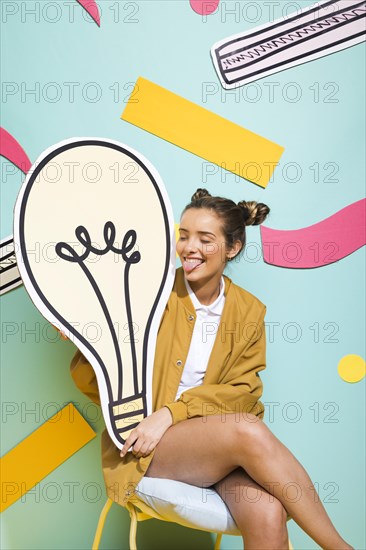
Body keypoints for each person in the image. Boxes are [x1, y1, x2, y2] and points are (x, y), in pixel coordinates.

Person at [61, 189, 353, 549]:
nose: (189, 247)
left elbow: (242, 395)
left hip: (214, 454)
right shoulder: (145, 293)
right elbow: (99, 380)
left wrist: (172, 413)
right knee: (246, 430)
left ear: (232, 247)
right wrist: (87, 341)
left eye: (205, 239)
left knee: (267, 511)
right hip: (145, 448)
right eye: (183, 236)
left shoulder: (249, 312)